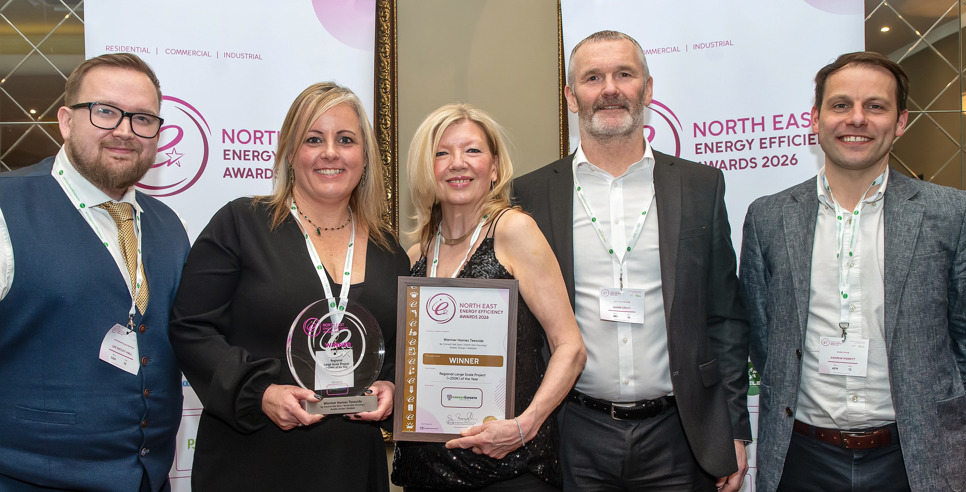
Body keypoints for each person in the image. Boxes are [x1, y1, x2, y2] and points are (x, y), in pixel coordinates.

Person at [513, 30, 750, 491]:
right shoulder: (532, 194)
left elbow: (725, 319)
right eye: (593, 77)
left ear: (648, 88)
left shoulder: (701, 187)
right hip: (573, 430)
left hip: (681, 433)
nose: (610, 89)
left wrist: (734, 429)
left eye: (625, 74)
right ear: (570, 96)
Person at [740, 51, 966, 491]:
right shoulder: (768, 217)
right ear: (815, 119)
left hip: (916, 457)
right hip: (801, 458)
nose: (856, 119)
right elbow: (763, 336)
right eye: (841, 105)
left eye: (875, 106)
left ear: (900, 122)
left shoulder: (951, 213)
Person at [168, 82, 409, 491]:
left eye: (345, 140)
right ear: (289, 153)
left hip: (350, 464)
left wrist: (391, 387)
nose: (330, 152)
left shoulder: (390, 252)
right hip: (251, 459)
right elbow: (191, 328)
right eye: (313, 139)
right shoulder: (241, 224)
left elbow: (399, 350)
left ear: (365, 157)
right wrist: (259, 393)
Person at [0, 53, 189, 491]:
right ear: (66, 121)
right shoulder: (6, 209)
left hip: (148, 478)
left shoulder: (169, 225)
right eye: (104, 111)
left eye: (142, 118)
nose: (125, 130)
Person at [392, 103, 586, 491]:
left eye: (473, 151)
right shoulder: (415, 255)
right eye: (442, 152)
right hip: (425, 471)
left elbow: (571, 347)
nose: (457, 163)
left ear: (494, 167)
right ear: (426, 169)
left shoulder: (514, 231)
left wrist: (523, 426)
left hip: (507, 466)